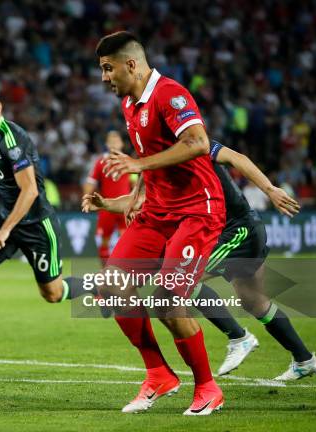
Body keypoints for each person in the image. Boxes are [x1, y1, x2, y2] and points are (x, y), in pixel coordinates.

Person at [85, 140, 316, 380]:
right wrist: (105, 204)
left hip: (236, 229)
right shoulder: (157, 165)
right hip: (228, 230)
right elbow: (139, 201)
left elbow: (238, 158)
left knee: (180, 278)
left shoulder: (194, 143)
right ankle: (304, 359)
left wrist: (270, 190)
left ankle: (239, 337)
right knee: (255, 303)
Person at [94, 31, 226, 415]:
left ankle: (208, 388)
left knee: (168, 302)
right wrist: (136, 195)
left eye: (108, 68)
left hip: (196, 211)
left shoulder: (171, 94)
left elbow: (199, 142)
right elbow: (149, 157)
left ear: (131, 64)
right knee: (112, 288)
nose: (104, 77)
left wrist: (138, 166)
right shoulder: (130, 104)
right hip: (157, 211)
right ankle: (159, 374)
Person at [0, 82, 89, 364]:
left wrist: (4, 231)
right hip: (6, 217)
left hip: (36, 225)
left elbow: (29, 191)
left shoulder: (13, 140)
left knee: (52, 294)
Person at [83, 130, 135, 264]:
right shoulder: (100, 162)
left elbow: (136, 183)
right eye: (111, 140)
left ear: (122, 144)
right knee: (103, 242)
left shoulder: (128, 161)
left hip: (125, 207)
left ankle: (124, 273)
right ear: (106, 144)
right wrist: (87, 198)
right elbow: (90, 182)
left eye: (116, 140)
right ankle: (105, 273)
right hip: (107, 206)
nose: (114, 143)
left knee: (127, 241)